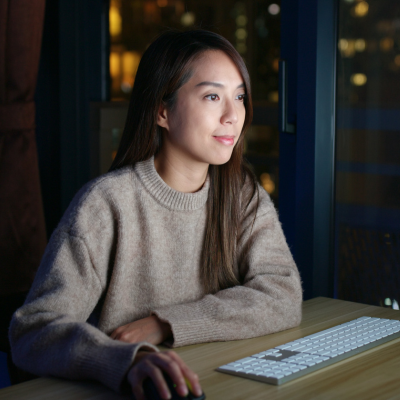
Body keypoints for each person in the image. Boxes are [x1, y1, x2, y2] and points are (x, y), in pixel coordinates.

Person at [9, 29, 302, 400]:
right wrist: (125, 360)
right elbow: (33, 331)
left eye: (240, 97)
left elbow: (283, 294)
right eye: (213, 96)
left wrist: (165, 324)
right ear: (162, 111)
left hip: (214, 381)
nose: (233, 115)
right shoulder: (106, 204)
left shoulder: (242, 195)